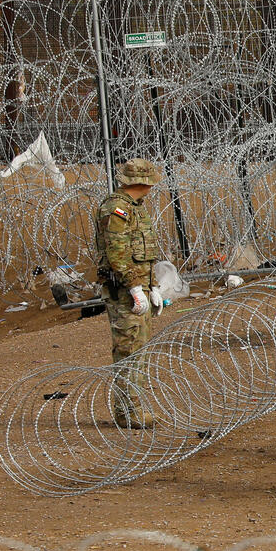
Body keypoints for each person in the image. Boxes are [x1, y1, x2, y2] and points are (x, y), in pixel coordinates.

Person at [94, 158, 165, 429]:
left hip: (138, 287)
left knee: (139, 350)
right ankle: (128, 412)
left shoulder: (135, 208)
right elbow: (117, 254)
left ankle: (133, 408)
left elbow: (142, 255)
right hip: (124, 291)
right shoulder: (117, 209)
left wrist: (153, 286)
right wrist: (135, 288)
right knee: (128, 351)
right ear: (143, 182)